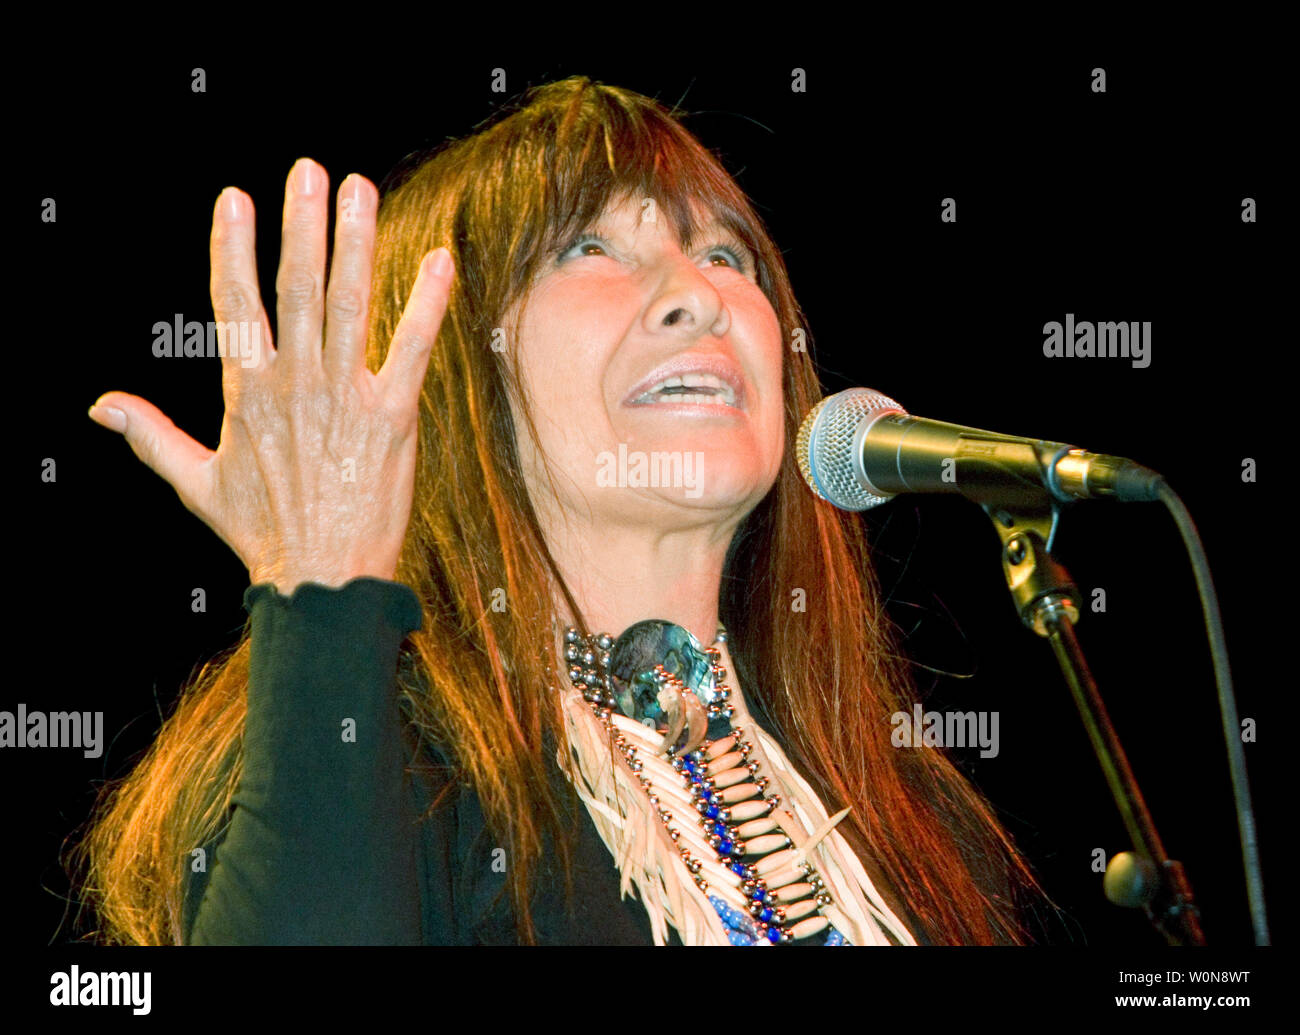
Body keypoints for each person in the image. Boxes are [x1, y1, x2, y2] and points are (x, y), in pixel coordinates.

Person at [70, 76, 1052, 945]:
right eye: (588, 245)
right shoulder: (385, 767)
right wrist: (322, 592)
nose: (697, 299)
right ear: (454, 372)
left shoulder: (903, 804)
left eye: (725, 256)